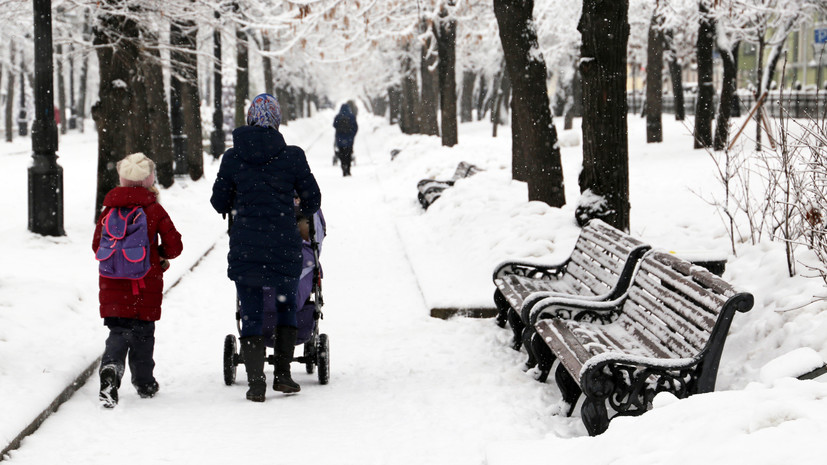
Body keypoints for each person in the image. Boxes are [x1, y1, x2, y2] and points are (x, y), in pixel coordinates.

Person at [211, 93, 321, 402]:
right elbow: (313, 199)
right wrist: (293, 205)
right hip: (284, 246)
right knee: (287, 305)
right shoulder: (293, 156)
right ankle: (283, 376)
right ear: (277, 121)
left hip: (246, 247)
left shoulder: (233, 158)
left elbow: (218, 201)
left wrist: (239, 199)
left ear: (248, 119)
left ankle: (256, 383)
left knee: (251, 311)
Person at [93, 153, 183, 408]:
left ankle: (111, 368)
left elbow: (97, 246)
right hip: (145, 284)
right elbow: (174, 246)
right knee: (143, 334)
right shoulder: (152, 208)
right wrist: (160, 256)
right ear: (148, 180)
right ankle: (144, 383)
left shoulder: (108, 209)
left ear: (121, 179)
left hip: (112, 285)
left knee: (118, 331)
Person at [333, 103, 358, 176]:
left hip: (340, 139)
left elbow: (334, 125)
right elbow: (355, 127)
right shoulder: (352, 116)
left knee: (342, 154)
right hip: (349, 139)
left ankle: (343, 167)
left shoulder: (338, 116)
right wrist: (352, 135)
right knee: (348, 154)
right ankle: (348, 169)